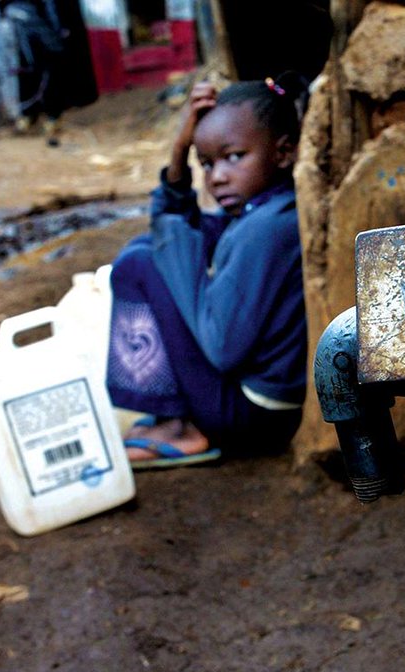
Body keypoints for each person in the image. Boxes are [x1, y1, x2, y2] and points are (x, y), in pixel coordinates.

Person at [107, 74, 309, 468]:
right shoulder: (267, 209)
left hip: (256, 416)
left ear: (283, 152)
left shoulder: (267, 229)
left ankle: (177, 426)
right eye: (206, 163)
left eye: (234, 156)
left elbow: (222, 348)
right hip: (256, 407)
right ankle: (174, 415)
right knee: (146, 249)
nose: (216, 177)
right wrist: (179, 152)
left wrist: (176, 254)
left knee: (142, 263)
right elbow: (184, 227)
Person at [0, 0, 67, 147]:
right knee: (25, 71)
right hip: (18, 23)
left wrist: (57, 27)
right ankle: (28, 115)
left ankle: (53, 116)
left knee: (47, 71)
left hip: (41, 22)